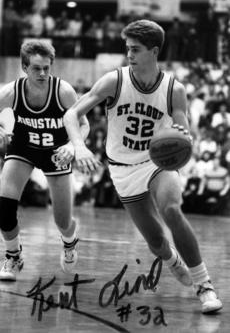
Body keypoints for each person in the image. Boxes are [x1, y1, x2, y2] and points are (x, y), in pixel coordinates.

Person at [64, 19, 222, 314]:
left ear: (154, 51)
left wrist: (184, 139)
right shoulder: (114, 81)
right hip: (123, 168)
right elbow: (72, 115)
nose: (129, 55)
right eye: (127, 49)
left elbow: (182, 132)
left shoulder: (175, 89)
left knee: (172, 210)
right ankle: (171, 259)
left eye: (135, 49)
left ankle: (205, 285)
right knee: (156, 242)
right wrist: (79, 146)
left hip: (157, 162)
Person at [0, 40, 89, 280]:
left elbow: (83, 125)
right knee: (5, 213)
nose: (42, 73)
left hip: (57, 152)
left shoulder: (63, 91)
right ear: (24, 67)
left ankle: (69, 241)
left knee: (62, 220)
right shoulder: (12, 91)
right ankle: (13, 256)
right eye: (36, 68)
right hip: (23, 148)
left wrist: (73, 146)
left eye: (46, 67)